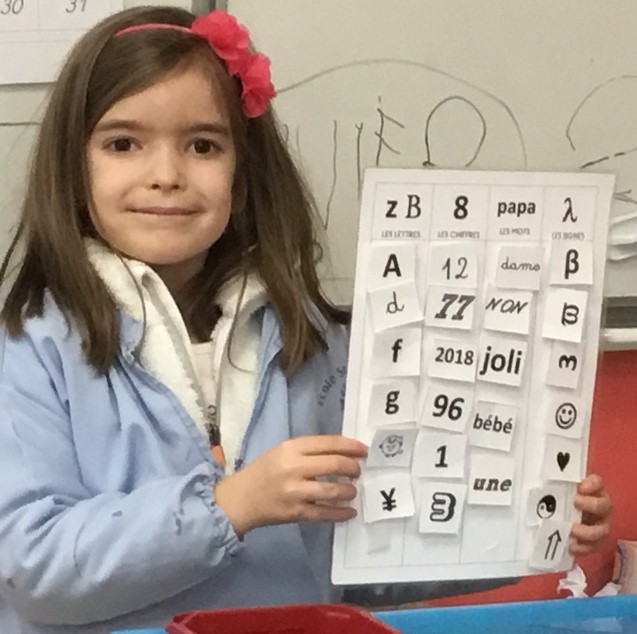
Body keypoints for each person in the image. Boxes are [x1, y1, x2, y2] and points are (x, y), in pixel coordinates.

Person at [0, 6, 611, 633]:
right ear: (73, 170)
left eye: (203, 145)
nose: (166, 176)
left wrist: (525, 523)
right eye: (123, 144)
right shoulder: (29, 349)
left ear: (243, 175)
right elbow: (30, 565)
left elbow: (361, 549)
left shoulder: (314, 339)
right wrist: (229, 506)